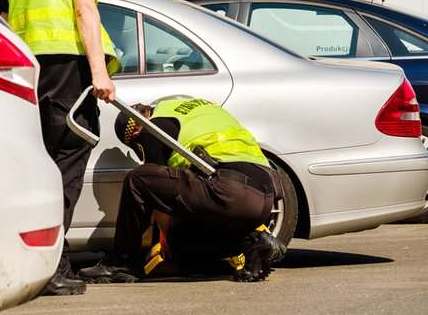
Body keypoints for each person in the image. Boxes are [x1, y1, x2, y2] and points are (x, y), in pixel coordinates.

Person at [0, 0, 120, 296]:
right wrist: (99, 73)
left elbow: (4, 18)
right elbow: (85, 7)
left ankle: (50, 259)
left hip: (30, 72)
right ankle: (50, 265)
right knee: (67, 164)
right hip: (70, 67)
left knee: (41, 167)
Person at [79, 97, 287, 283]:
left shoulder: (153, 128)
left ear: (134, 130)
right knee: (183, 240)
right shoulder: (190, 107)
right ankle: (253, 243)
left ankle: (121, 263)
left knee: (138, 179)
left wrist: (162, 241)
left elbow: (157, 193)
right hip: (265, 194)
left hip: (230, 189)